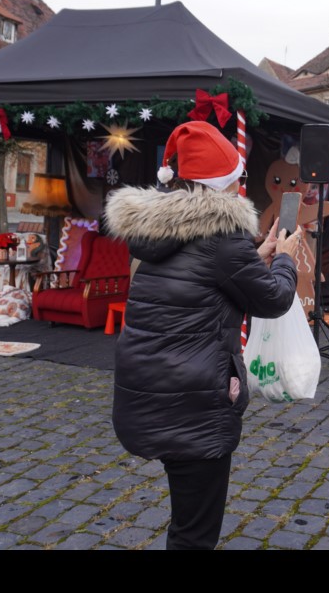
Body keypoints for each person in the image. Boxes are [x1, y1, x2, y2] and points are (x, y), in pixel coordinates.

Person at [105, 120, 301, 550]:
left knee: (186, 516)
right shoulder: (223, 237)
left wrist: (257, 254)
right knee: (195, 532)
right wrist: (286, 259)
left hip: (150, 390)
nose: (240, 186)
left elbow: (202, 274)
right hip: (194, 404)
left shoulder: (157, 228)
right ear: (221, 185)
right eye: (237, 178)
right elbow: (272, 299)